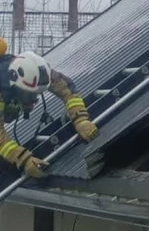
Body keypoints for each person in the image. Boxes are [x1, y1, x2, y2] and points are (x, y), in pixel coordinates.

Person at [0, 40, 97, 178]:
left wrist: (81, 119)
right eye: (28, 94)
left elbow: (67, 89)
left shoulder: (36, 72)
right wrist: (23, 159)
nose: (33, 100)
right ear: (14, 83)